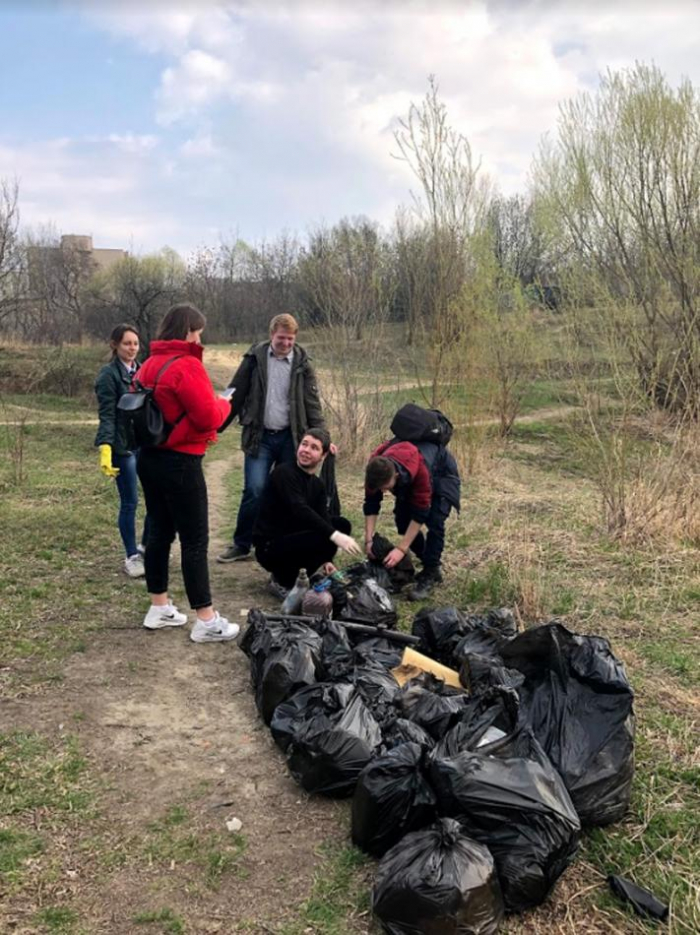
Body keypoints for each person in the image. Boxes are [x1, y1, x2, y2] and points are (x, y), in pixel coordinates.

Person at [135, 303, 239, 643]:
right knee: (195, 539)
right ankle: (206, 619)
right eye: (198, 332)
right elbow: (209, 418)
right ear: (188, 331)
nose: (199, 338)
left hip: (149, 458)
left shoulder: (147, 364)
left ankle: (159, 606)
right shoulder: (186, 366)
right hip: (181, 461)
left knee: (159, 532)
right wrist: (225, 402)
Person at [216, 313, 329, 564]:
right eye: (281, 338)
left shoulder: (303, 365)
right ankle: (241, 544)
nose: (286, 343)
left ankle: (279, 543)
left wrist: (323, 437)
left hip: (291, 438)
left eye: (290, 339)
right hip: (260, 437)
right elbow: (234, 392)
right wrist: (214, 426)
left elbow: (313, 405)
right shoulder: (254, 359)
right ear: (271, 335)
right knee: (254, 490)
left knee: (288, 494)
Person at [253, 428, 362, 597]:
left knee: (341, 524)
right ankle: (281, 580)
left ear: (323, 455)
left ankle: (302, 573)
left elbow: (323, 519)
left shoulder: (317, 485)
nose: (306, 450)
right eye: (304, 444)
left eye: (314, 447)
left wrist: (327, 559)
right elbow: (299, 508)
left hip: (294, 538)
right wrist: (335, 537)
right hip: (270, 546)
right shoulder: (283, 473)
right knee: (328, 534)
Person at [363, 437, 461, 601]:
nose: (383, 491)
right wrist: (368, 540)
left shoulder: (420, 471)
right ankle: (427, 560)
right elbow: (371, 503)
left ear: (395, 475)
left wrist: (401, 549)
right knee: (402, 521)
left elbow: (420, 513)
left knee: (435, 522)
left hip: (441, 474)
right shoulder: (375, 467)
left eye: (385, 488)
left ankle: (431, 572)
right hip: (409, 477)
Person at [94, 323, 148, 578]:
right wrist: (105, 445)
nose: (132, 348)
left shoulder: (143, 370)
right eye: (127, 343)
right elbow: (107, 414)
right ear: (115, 345)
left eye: (135, 343)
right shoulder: (108, 375)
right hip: (122, 446)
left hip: (144, 444)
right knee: (130, 502)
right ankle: (131, 556)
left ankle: (147, 546)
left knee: (157, 500)